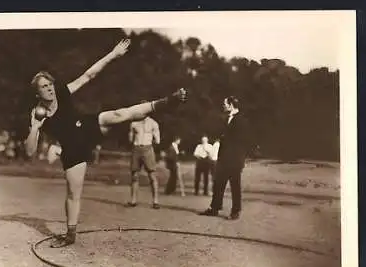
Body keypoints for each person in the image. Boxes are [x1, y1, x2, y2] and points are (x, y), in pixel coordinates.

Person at [25, 38, 188, 248]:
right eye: (43, 87)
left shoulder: (63, 92)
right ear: (37, 92)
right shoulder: (37, 114)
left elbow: (89, 75)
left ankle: (167, 102)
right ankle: (71, 233)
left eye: (49, 84)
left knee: (120, 114)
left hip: (86, 127)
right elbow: (30, 151)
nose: (49, 89)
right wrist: (35, 128)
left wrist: (113, 54)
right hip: (72, 149)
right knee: (74, 193)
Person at [199, 96, 251, 220]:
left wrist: (240, 158)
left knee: (235, 186)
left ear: (231, 105)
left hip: (234, 159)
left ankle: (235, 211)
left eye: (225, 104)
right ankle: (214, 208)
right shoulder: (226, 119)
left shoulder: (242, 121)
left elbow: (243, 141)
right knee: (218, 184)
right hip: (224, 158)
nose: (223, 106)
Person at [127, 113, 161, 209]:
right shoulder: (134, 123)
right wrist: (132, 135)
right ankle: (133, 200)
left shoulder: (153, 123)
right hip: (136, 148)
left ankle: (155, 201)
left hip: (148, 148)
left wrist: (149, 142)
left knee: (152, 175)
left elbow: (158, 140)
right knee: (134, 175)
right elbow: (130, 139)